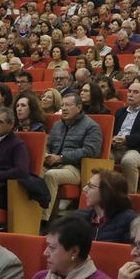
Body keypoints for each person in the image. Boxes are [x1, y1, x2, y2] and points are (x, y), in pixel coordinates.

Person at [40, 93, 102, 221]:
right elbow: (47, 145)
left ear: (79, 107)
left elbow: (91, 151)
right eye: (62, 105)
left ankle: (42, 220)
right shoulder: (57, 125)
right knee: (31, 174)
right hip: (53, 164)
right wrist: (46, 155)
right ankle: (26, 216)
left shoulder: (91, 126)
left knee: (51, 175)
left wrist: (62, 157)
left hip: (75, 168)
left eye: (68, 105)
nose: (64, 108)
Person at [80, 168, 135, 245]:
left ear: (107, 192)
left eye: (91, 186)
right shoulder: (81, 216)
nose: (84, 189)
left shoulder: (128, 220)